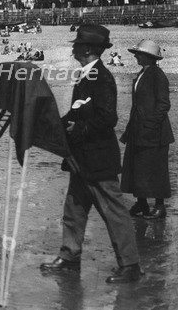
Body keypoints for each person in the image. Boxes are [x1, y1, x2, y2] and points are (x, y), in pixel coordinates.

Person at [41, 24, 142, 284]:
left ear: (87, 49)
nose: (73, 47)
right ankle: (69, 258)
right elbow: (76, 113)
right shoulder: (86, 75)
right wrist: (54, 124)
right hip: (81, 159)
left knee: (115, 212)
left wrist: (79, 127)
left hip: (98, 159)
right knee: (74, 210)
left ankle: (130, 265)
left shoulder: (102, 77)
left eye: (77, 44)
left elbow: (108, 118)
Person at [121, 39, 174, 219]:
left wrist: (150, 125)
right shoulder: (143, 73)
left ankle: (160, 207)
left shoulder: (157, 74)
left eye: (139, 54)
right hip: (139, 129)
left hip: (155, 132)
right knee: (137, 166)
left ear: (148, 57)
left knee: (156, 168)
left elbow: (163, 104)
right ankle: (142, 203)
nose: (136, 56)